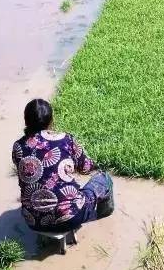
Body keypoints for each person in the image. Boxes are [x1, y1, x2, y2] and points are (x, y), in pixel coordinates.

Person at [12, 98, 114, 234]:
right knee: (103, 179)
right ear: (51, 121)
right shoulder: (65, 139)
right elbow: (86, 168)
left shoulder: (18, 146)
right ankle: (104, 215)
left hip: (33, 222)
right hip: (71, 218)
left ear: (26, 121)